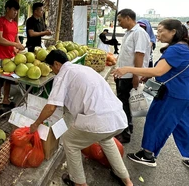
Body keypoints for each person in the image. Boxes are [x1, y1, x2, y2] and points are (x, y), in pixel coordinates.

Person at [112, 19, 189, 174]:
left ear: (173, 32)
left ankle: (147, 154)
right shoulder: (186, 47)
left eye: (160, 30)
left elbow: (158, 71)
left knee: (156, 120)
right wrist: (148, 75)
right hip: (185, 94)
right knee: (184, 127)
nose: (157, 35)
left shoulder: (176, 50)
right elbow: (166, 71)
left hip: (171, 94)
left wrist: (127, 69)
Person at [29, 50, 133, 186]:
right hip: (117, 118)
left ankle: (79, 182)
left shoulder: (62, 75)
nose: (52, 71)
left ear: (56, 64)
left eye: (51, 67)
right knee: (106, 139)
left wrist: (36, 124)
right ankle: (126, 180)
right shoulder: (82, 68)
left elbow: (51, 107)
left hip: (99, 120)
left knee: (70, 141)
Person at [115, 9, 151, 143]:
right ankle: (124, 129)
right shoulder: (128, 34)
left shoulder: (139, 33)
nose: (119, 23)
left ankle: (126, 133)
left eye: (120, 20)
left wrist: (136, 75)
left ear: (128, 18)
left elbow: (139, 55)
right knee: (122, 103)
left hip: (130, 76)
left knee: (125, 104)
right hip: (123, 75)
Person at [0, 0, 25, 117]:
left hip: (11, 57)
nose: (16, 12)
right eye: (14, 10)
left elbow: (16, 38)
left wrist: (18, 46)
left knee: (8, 81)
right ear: (7, 9)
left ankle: (5, 99)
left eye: (17, 10)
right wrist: (14, 45)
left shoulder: (15, 24)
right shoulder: (0, 22)